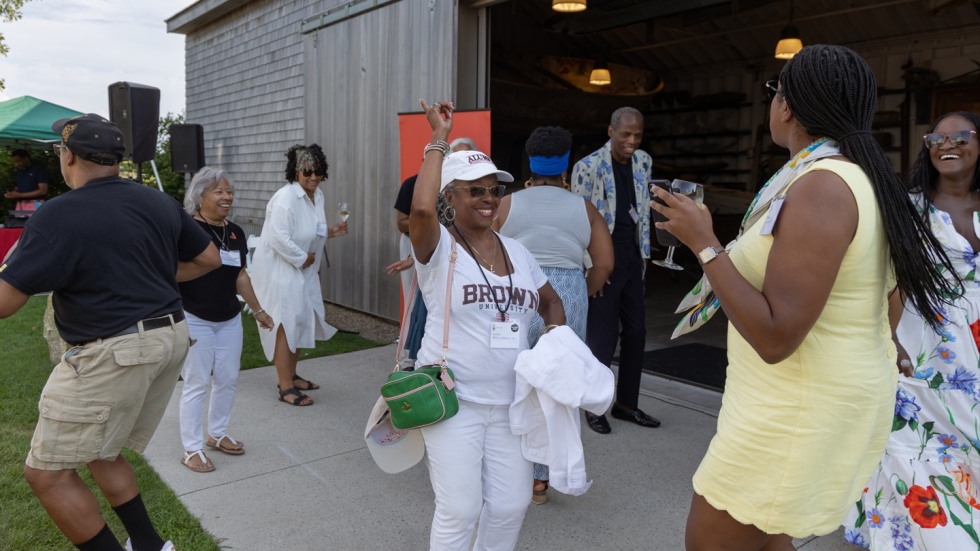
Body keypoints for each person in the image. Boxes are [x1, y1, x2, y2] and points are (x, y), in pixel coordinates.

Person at [649, 45, 960, 550]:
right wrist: (884, 339)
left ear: (786, 106)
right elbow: (890, 282)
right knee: (770, 540)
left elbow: (776, 337)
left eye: (773, 93)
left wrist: (703, 242)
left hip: (792, 409)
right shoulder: (856, 178)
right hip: (806, 398)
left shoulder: (822, 187)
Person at [0, 113, 219, 551]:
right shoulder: (156, 201)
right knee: (103, 450)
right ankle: (150, 545)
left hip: (116, 350)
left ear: (68, 156)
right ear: (117, 159)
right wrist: (147, 275)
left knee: (47, 473)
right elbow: (209, 259)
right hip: (170, 338)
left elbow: (4, 303)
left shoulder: (57, 214)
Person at [411, 99, 565, 550]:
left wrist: (556, 346)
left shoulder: (517, 251)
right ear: (450, 197)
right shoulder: (438, 248)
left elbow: (551, 303)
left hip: (510, 404)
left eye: (493, 190)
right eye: (474, 190)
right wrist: (439, 139)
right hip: (453, 400)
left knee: (510, 506)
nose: (488, 199)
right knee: (460, 509)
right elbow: (420, 212)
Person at [842, 111, 980, 550]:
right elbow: (887, 276)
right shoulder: (909, 206)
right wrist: (892, 338)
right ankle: (920, 537)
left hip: (975, 346)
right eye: (935, 138)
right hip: (924, 344)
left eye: (959, 135)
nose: (947, 143)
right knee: (914, 443)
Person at [493, 125, 614, 505]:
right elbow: (605, 264)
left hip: (519, 291)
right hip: (568, 296)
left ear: (530, 160)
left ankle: (510, 467)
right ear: (567, 165)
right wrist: (587, 288)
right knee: (555, 384)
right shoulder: (584, 208)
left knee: (511, 379)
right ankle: (542, 480)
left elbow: (487, 251)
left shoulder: (507, 204)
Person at [177, 167, 274, 473]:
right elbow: (172, 273)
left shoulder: (234, 232)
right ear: (199, 196)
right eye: (219, 191)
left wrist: (258, 310)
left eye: (229, 191)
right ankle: (190, 449)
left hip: (229, 317)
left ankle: (216, 434)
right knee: (196, 382)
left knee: (228, 378)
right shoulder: (188, 231)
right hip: (195, 316)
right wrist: (208, 265)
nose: (227, 197)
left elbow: (240, 274)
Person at [570, 106, 659, 434]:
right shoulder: (587, 167)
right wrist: (591, 268)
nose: (632, 141)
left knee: (637, 333)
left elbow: (642, 212)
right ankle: (594, 405)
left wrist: (645, 255)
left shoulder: (644, 161)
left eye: (638, 135)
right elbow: (579, 221)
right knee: (603, 336)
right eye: (626, 134)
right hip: (602, 257)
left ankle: (626, 404)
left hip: (633, 255)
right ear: (611, 131)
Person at [250, 144, 348, 406]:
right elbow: (278, 238)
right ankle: (284, 387)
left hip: (304, 270)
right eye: (307, 172)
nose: (313, 177)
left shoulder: (318, 196)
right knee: (286, 323)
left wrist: (333, 232)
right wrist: (303, 257)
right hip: (281, 271)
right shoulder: (285, 199)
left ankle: (292, 376)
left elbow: (313, 230)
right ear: (295, 172)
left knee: (302, 319)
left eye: (318, 171)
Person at [387, 137, 476, 361]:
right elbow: (406, 222)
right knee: (420, 301)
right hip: (421, 246)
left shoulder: (476, 191)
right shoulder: (417, 185)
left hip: (458, 252)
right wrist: (428, 238)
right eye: (456, 156)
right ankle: (414, 356)